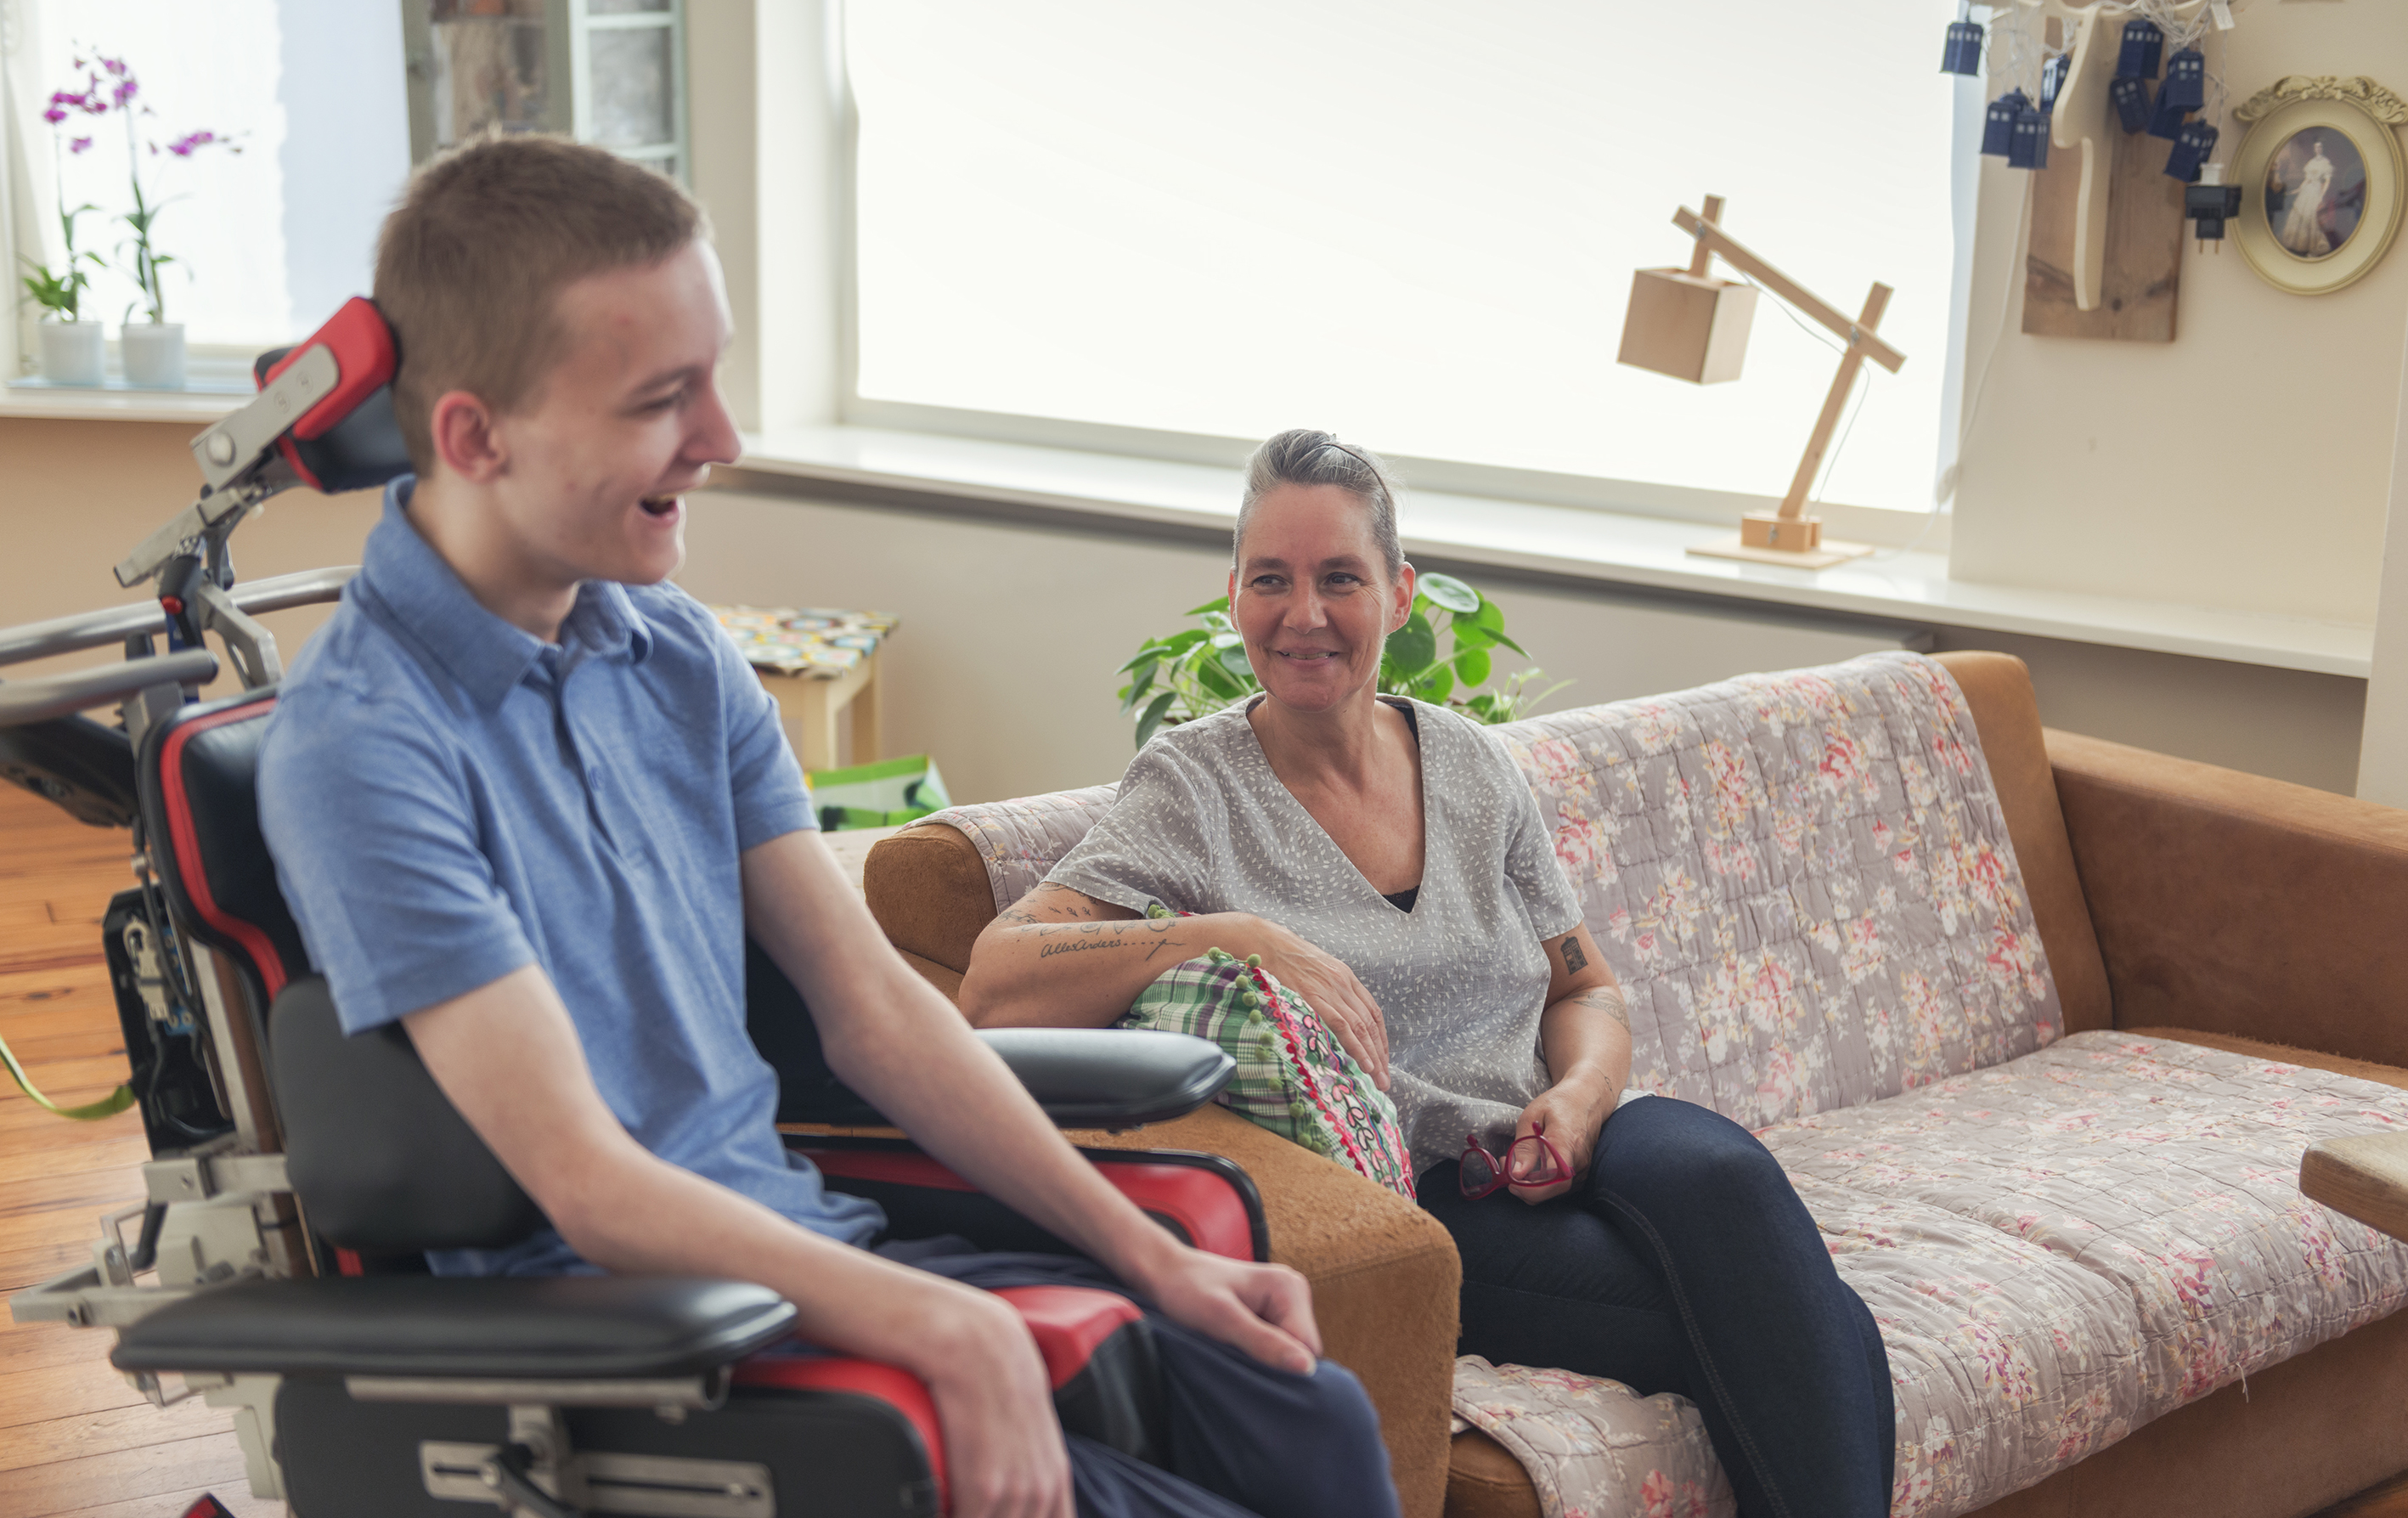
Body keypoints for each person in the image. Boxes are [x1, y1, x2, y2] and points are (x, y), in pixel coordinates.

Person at [257, 138, 1397, 1518]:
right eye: (662, 399)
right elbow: (584, 1179)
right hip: (641, 1333)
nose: (725, 439)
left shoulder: (672, 653)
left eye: (716, 376)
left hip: (805, 1240)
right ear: (474, 436)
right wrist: (940, 1326)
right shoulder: (365, 743)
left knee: (1312, 1421)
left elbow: (876, 1009)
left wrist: (1153, 1254)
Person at [958, 430, 1896, 1518]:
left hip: (1570, 1129)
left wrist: (1580, 1102)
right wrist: (1230, 935)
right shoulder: (1193, 786)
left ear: (1399, 594)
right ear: (1234, 596)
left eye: (1339, 578)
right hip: (1428, 1194)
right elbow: (997, 979)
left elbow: (1581, 986)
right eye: (1272, 579)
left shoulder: (1468, 762)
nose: (1303, 612)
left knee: (1730, 1183)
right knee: (1813, 1321)